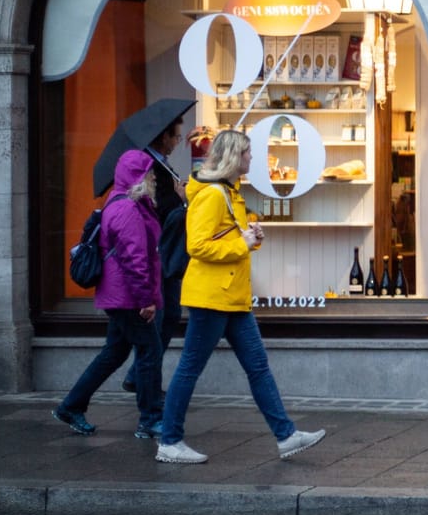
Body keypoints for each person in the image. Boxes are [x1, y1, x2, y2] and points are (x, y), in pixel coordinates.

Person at [154, 129, 325, 464]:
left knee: (258, 367)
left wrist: (251, 236)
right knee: (190, 369)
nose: (252, 159)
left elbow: (225, 236)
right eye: (247, 153)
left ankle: (286, 435)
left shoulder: (229, 193)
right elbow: (198, 245)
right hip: (211, 297)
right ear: (234, 157)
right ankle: (169, 441)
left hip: (230, 295)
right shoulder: (214, 195)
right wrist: (242, 242)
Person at [51, 149, 166, 438]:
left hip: (120, 296)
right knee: (150, 351)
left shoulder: (125, 204)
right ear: (137, 177)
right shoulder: (127, 209)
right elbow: (135, 259)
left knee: (114, 352)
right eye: (150, 172)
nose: (154, 176)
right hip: (129, 298)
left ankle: (71, 405)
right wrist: (146, 301)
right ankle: (150, 419)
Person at [121, 116, 187, 394]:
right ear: (164, 137)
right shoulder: (148, 167)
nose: (178, 141)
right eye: (176, 136)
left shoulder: (162, 164)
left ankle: (139, 376)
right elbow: (155, 208)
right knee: (160, 318)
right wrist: (183, 198)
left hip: (166, 253)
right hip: (157, 253)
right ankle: (147, 384)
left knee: (170, 314)